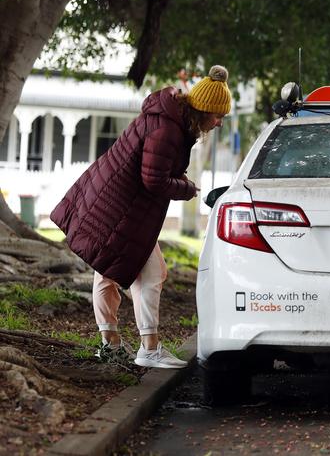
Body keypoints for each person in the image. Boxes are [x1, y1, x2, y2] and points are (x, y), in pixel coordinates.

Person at [50, 65, 232, 369]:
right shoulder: (167, 130)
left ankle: (112, 345)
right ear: (203, 110)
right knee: (149, 273)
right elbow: (154, 180)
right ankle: (148, 348)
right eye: (218, 116)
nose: (219, 123)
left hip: (112, 202)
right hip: (118, 208)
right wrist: (186, 188)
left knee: (107, 271)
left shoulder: (170, 120)